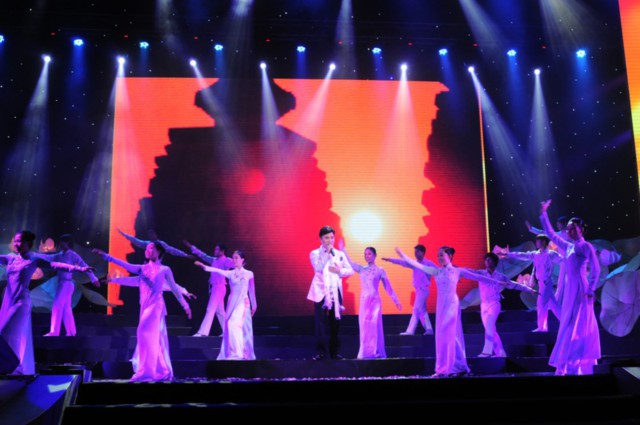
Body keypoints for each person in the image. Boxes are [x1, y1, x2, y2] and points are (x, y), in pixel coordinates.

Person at [394, 246, 523, 377]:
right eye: (438, 255)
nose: (439, 258)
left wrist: (497, 281)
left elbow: (478, 277)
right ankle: (446, 367)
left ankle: (453, 365)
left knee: (445, 330)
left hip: (452, 304)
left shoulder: (457, 271)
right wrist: (403, 255)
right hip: (441, 306)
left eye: (442, 255)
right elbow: (418, 265)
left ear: (449, 256)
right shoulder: (436, 271)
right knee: (444, 336)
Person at [92, 242, 192, 381]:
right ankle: (157, 369)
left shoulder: (165, 269)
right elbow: (129, 273)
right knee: (149, 338)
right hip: (144, 307)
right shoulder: (142, 269)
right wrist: (107, 260)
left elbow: (174, 288)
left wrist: (185, 305)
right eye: (146, 248)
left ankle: (146, 372)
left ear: (158, 251)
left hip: (155, 306)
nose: (147, 250)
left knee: (142, 331)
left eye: (150, 248)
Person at [0, 230, 94, 375]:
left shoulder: (33, 259)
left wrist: (79, 268)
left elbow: (56, 265)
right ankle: (13, 368)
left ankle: (13, 367)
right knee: (10, 335)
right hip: (8, 301)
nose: (17, 244)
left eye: (21, 241)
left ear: (28, 243)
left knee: (6, 332)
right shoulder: (10, 258)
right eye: (16, 241)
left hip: (21, 302)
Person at [539, 199, 601, 376]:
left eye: (574, 228)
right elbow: (550, 234)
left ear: (581, 229)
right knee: (567, 324)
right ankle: (569, 364)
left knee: (575, 326)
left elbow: (596, 269)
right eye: (568, 229)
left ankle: (568, 364)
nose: (570, 231)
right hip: (570, 291)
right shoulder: (568, 246)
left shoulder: (585, 246)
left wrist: (591, 289)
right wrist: (543, 214)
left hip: (581, 290)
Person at [462, 252, 534, 358]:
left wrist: (530, 290)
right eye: (486, 260)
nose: (487, 262)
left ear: (494, 262)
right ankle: (501, 352)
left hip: (494, 304)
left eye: (489, 260)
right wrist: (456, 269)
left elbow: (514, 285)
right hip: (484, 305)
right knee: (491, 330)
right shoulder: (481, 273)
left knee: (490, 327)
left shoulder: (501, 277)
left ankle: (487, 352)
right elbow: (469, 272)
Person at [341, 243, 402, 359]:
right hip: (364, 302)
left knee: (374, 326)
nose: (367, 256)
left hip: (375, 301)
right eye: (365, 254)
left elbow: (387, 287)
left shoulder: (380, 270)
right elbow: (350, 262)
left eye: (369, 254)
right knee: (364, 326)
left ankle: (376, 351)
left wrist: (396, 300)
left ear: (375, 255)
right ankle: (365, 352)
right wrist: (343, 249)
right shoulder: (361, 269)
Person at [195, 249, 257, 360]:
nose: (234, 260)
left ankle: (238, 353)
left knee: (234, 324)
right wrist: (204, 267)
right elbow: (217, 270)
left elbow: (251, 290)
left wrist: (254, 304)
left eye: (236, 258)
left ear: (242, 260)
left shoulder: (249, 274)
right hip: (232, 302)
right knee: (229, 325)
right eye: (233, 258)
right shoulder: (231, 273)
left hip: (242, 303)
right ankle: (235, 351)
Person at [36, 234, 101, 336]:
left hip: (66, 284)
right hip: (63, 284)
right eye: (60, 242)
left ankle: (54, 332)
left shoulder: (73, 255)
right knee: (66, 309)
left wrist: (94, 279)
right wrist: (34, 255)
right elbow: (48, 257)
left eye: (63, 241)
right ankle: (71, 332)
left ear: (68, 242)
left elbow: (84, 266)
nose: (60, 244)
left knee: (57, 306)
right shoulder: (60, 255)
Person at [307, 225, 354, 360]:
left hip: (335, 290)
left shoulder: (339, 254)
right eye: (326, 238)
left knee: (335, 322)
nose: (330, 240)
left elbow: (350, 270)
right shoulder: (315, 253)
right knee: (320, 323)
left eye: (332, 237)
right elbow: (318, 268)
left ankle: (334, 352)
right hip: (320, 290)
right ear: (320, 239)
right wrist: (327, 254)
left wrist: (339, 271)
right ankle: (320, 352)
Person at [501, 234, 563, 332]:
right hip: (542, 283)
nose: (536, 242)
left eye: (538, 241)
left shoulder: (551, 254)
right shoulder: (535, 254)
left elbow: (563, 260)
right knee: (553, 304)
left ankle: (542, 327)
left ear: (543, 242)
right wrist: (508, 254)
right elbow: (522, 255)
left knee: (541, 304)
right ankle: (565, 321)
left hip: (546, 283)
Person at [382, 244, 435, 335]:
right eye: (415, 252)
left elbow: (439, 271)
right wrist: (390, 259)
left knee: (416, 309)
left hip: (424, 289)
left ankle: (410, 331)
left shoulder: (428, 263)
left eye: (417, 251)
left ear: (422, 252)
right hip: (418, 290)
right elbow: (402, 262)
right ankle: (429, 330)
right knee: (422, 311)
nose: (415, 253)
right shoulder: (414, 263)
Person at [184, 240, 233, 337]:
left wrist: (239, 262)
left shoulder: (226, 260)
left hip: (220, 286)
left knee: (210, 309)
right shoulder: (213, 260)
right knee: (220, 312)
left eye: (217, 249)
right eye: (215, 249)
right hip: (214, 287)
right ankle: (228, 332)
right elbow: (203, 255)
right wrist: (191, 247)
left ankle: (203, 332)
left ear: (222, 251)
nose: (215, 251)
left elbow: (235, 264)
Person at [118, 228, 192, 259]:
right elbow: (136, 241)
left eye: (152, 233)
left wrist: (185, 255)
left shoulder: (161, 244)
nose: (150, 235)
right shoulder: (147, 243)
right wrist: (124, 234)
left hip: (158, 267)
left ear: (156, 234)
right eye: (149, 234)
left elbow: (173, 250)